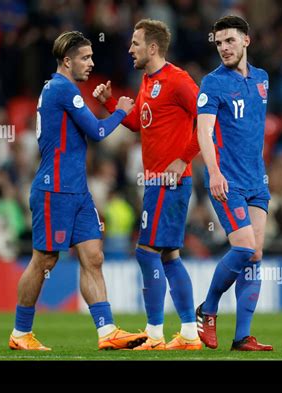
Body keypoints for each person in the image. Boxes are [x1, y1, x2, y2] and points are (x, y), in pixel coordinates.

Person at [9, 31, 146, 351]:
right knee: (44, 261)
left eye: (91, 57)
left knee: (93, 257)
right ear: (67, 61)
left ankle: (107, 331)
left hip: (77, 192)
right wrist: (122, 110)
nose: (91, 63)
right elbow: (97, 131)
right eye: (85, 58)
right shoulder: (62, 89)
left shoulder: (63, 90)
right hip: (54, 190)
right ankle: (20, 333)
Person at [93, 19, 201, 350]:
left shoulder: (178, 80)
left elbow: (208, 119)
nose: (130, 49)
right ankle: (188, 333)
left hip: (170, 181)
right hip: (157, 182)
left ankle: (154, 334)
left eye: (136, 43)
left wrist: (185, 157)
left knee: (145, 253)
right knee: (168, 256)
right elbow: (139, 122)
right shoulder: (148, 81)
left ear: (152, 48)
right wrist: (111, 104)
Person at [195, 16, 273, 351]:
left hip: (258, 181)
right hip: (227, 181)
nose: (223, 48)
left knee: (254, 255)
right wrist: (213, 171)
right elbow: (204, 131)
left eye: (229, 41)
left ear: (246, 40)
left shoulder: (262, 80)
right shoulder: (212, 83)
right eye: (218, 43)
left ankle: (242, 336)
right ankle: (208, 308)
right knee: (242, 247)